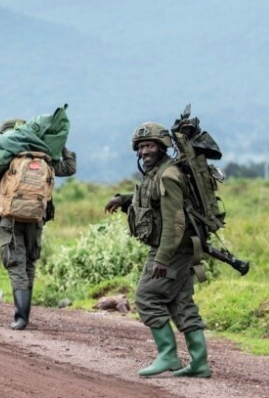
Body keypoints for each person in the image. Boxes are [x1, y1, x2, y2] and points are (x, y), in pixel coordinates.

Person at [104, 123, 212, 378]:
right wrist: (124, 199)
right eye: (141, 147)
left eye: (150, 145)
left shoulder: (168, 175)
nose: (144, 151)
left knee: (146, 297)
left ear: (163, 147)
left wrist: (162, 259)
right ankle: (199, 363)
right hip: (182, 249)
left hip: (172, 249)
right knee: (180, 303)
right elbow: (151, 198)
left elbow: (176, 221)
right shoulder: (158, 173)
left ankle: (168, 355)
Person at [0, 117, 77, 330]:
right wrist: (59, 143)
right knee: (30, 262)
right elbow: (69, 168)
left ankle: (21, 317)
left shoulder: (5, 156)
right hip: (36, 218)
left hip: (9, 219)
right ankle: (24, 315)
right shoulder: (45, 156)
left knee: (15, 264)